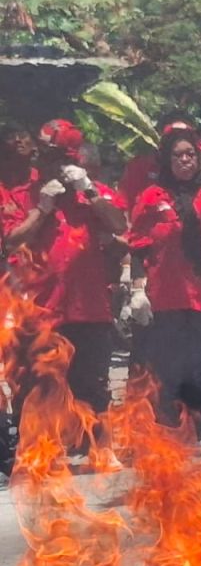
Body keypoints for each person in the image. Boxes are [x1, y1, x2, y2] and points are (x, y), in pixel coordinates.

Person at [126, 127, 201, 454]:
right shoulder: (151, 198)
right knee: (167, 369)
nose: (185, 160)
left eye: (190, 154)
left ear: (199, 160)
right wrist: (137, 291)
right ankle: (170, 432)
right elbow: (138, 248)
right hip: (166, 298)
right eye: (178, 155)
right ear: (167, 160)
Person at [1, 120, 128, 432]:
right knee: (41, 387)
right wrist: (42, 208)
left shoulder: (92, 192)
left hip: (90, 310)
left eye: (61, 158)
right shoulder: (23, 193)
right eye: (46, 156)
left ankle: (97, 448)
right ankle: (42, 453)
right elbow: (11, 240)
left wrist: (90, 191)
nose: (51, 164)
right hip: (42, 310)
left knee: (92, 388)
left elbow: (119, 227)